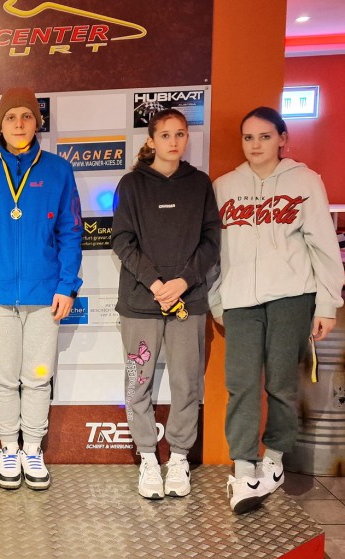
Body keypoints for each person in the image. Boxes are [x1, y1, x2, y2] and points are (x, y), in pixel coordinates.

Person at [211, 106, 344, 514]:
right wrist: (217, 299)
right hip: (239, 300)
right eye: (248, 137)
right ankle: (243, 466)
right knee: (241, 384)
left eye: (265, 136)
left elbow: (323, 244)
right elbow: (213, 251)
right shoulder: (224, 186)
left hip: (292, 297)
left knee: (281, 383)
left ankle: (274, 460)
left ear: (282, 139)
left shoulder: (304, 181)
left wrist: (327, 303)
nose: (256, 145)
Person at [0, 87, 82, 490]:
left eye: (27, 116)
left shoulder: (59, 171)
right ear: (1, 125)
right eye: (11, 117)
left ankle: (33, 449)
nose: (19, 124)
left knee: (38, 377)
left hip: (45, 296)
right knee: (5, 378)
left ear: (37, 122)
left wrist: (66, 286)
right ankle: (9, 448)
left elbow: (71, 233)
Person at [111, 108, 220, 500]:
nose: (174, 142)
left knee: (186, 382)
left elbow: (211, 241)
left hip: (188, 302)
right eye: (166, 135)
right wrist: (156, 283)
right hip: (141, 302)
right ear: (151, 141)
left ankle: (178, 458)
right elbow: (122, 240)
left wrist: (183, 281)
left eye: (180, 134)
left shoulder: (200, 184)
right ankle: (147, 457)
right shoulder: (131, 184)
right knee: (137, 382)